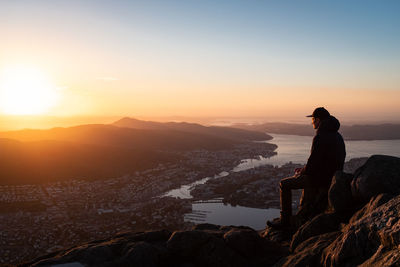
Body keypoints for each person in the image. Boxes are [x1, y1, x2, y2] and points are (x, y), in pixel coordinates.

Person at [267, 107, 346, 229]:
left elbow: (313, 163)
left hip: (320, 178)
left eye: (313, 119)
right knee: (305, 182)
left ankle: (285, 221)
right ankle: (301, 217)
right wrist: (305, 170)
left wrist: (302, 171)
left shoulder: (320, 136)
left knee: (284, 184)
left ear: (318, 120)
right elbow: (320, 161)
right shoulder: (337, 135)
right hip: (332, 176)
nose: (312, 122)